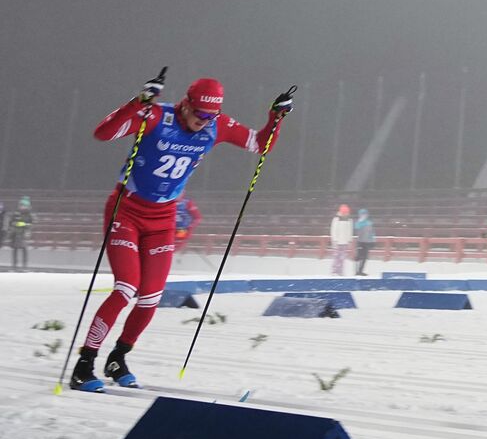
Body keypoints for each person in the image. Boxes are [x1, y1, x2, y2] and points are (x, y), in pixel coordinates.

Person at [71, 75, 292, 392]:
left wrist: (276, 116)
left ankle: (118, 358)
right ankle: (85, 363)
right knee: (125, 288)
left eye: (210, 117)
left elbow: (261, 144)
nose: (204, 123)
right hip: (127, 210)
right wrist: (138, 103)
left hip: (163, 217)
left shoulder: (217, 125)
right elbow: (102, 133)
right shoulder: (157, 115)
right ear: (186, 104)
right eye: (200, 114)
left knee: (150, 298)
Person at [8, 196, 34, 271]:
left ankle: (24, 266)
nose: (23, 207)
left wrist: (22, 224)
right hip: (15, 233)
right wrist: (14, 225)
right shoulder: (16, 213)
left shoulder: (29, 215)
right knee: (15, 250)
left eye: (24, 206)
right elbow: (11, 222)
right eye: (22, 205)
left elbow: (31, 224)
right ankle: (14, 266)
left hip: (24, 234)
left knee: (24, 249)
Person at [329, 204, 353, 275]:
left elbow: (350, 231)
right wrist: (334, 240)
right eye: (344, 212)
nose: (345, 214)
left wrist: (350, 241)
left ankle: (340, 272)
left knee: (342, 258)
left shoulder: (349, 220)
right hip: (337, 241)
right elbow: (333, 230)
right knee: (336, 257)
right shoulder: (336, 219)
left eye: (346, 212)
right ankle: (334, 271)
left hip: (345, 242)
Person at [353, 208, 376, 276]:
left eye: (365, 214)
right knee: (359, 256)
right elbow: (356, 230)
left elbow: (372, 232)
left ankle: (361, 270)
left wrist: (372, 241)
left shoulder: (369, 222)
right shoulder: (358, 222)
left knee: (365, 257)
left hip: (367, 242)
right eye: (362, 214)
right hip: (360, 241)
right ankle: (357, 271)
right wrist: (360, 222)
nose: (364, 216)